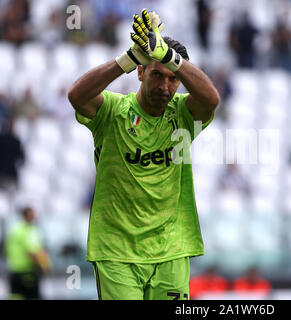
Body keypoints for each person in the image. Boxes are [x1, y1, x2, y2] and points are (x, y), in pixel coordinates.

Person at [67, 9, 219, 300]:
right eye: (156, 74)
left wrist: (170, 58)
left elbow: (212, 99)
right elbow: (76, 95)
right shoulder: (112, 111)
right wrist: (127, 58)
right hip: (116, 252)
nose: (164, 87)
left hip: (171, 249)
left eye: (173, 79)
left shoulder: (184, 115)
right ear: (140, 72)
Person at [4, 207, 52, 300]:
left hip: (14, 270)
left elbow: (7, 249)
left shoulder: (14, 229)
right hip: (27, 272)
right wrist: (44, 266)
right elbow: (32, 252)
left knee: (15, 296)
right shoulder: (30, 231)